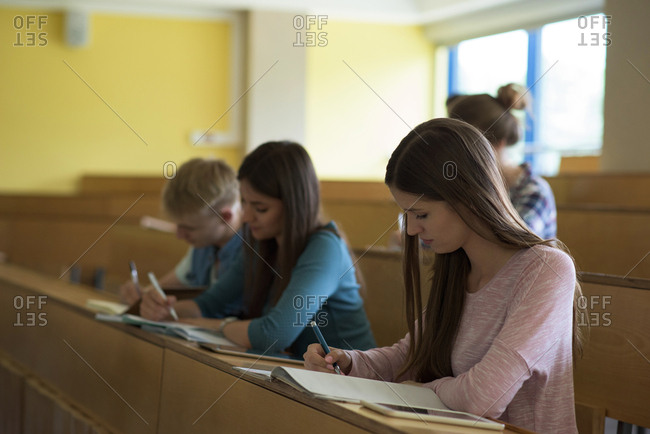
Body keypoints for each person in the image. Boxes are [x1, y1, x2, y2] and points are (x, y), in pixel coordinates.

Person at [304, 118, 584, 433]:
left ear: (467, 197)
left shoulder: (546, 271)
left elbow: (483, 398)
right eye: (406, 215)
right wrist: (350, 362)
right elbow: (411, 353)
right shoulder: (457, 265)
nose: (410, 230)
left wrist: (423, 391)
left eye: (421, 214)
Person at [140, 141, 376, 356]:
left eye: (260, 208)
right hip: (301, 377)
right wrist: (164, 310)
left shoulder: (325, 248)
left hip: (351, 385)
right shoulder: (261, 243)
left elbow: (273, 335)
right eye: (244, 203)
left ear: (295, 207)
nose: (247, 216)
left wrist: (216, 325)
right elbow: (209, 304)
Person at [119, 158, 242, 310]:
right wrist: (141, 296)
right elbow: (161, 289)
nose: (179, 235)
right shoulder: (204, 245)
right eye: (178, 225)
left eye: (189, 228)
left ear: (225, 217)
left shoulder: (253, 249)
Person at [447, 83, 557, 239]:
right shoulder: (469, 186)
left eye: (468, 145)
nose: (458, 154)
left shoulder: (534, 191)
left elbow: (513, 242)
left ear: (499, 142)